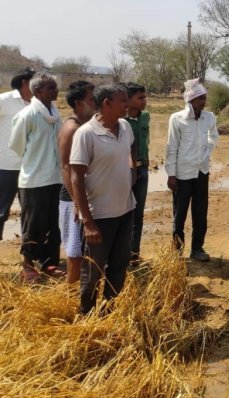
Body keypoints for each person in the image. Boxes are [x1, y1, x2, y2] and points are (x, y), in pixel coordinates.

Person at [70, 83, 136, 315]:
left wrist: (132, 172)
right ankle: (86, 315)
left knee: (118, 267)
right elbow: (76, 177)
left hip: (125, 210)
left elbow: (131, 150)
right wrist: (87, 221)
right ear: (106, 103)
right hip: (99, 217)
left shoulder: (126, 127)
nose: (127, 105)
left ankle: (109, 313)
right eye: (123, 101)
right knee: (93, 271)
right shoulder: (86, 133)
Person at [8, 72, 64, 282]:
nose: (56, 90)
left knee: (51, 223)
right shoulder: (27, 115)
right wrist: (35, 160)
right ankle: (28, 264)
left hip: (54, 177)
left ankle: (49, 263)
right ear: (38, 91)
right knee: (33, 224)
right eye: (51, 87)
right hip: (34, 179)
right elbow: (16, 145)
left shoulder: (55, 114)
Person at [165, 78, 218, 262]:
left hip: (202, 172)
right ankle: (177, 252)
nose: (203, 102)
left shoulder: (209, 117)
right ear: (191, 100)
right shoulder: (177, 119)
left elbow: (214, 136)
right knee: (179, 215)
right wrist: (171, 174)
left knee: (200, 213)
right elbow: (171, 148)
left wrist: (206, 151)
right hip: (182, 174)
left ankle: (197, 249)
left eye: (204, 98)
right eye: (200, 98)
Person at [58, 81, 96, 285]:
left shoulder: (86, 127)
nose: (96, 103)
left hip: (82, 197)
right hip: (72, 198)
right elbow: (66, 167)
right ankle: (68, 293)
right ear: (79, 104)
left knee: (83, 249)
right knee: (74, 252)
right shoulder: (71, 128)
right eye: (92, 99)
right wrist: (77, 202)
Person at [0, 67, 34, 241]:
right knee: (1, 211)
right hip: (6, 166)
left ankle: (28, 250)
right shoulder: (5, 100)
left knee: (29, 211)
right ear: (25, 83)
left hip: (30, 167)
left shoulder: (38, 104)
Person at [124, 82, 150, 266]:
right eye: (140, 98)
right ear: (129, 99)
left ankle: (134, 254)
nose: (144, 101)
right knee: (123, 212)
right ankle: (121, 253)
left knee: (138, 213)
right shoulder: (120, 121)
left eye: (145, 97)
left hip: (143, 169)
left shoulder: (145, 117)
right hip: (125, 171)